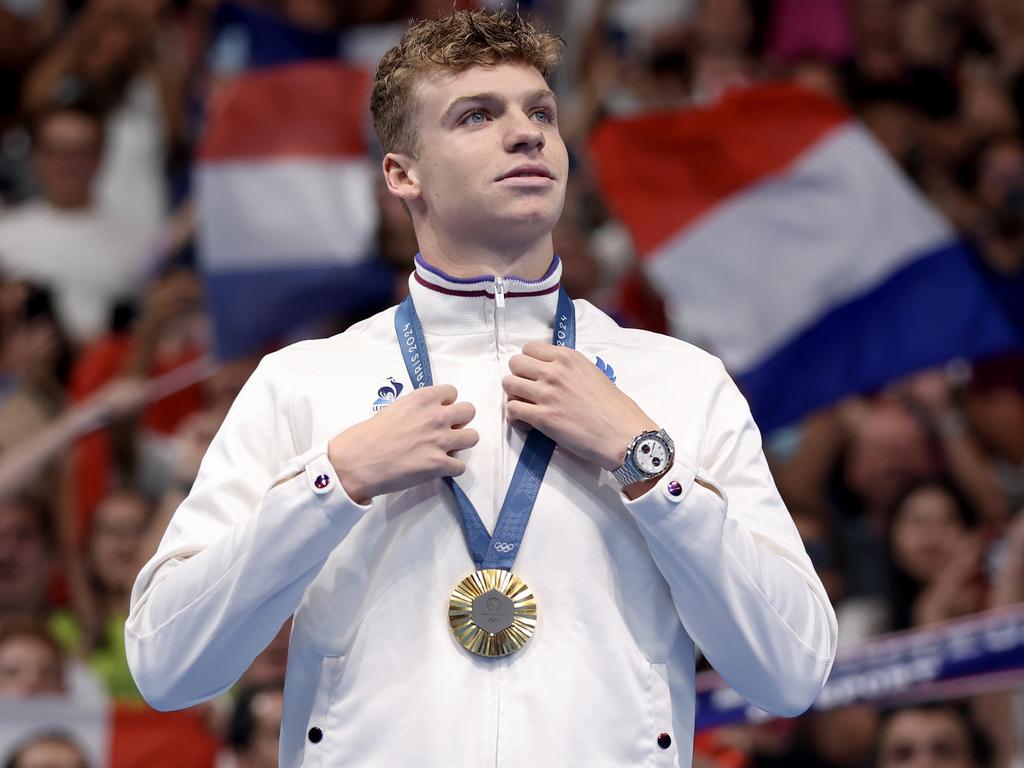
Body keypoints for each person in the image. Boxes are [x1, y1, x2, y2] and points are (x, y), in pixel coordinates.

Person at [125, 10, 837, 767]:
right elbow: (168, 667)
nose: (526, 133)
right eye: (477, 116)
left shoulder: (680, 384)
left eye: (541, 113)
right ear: (404, 174)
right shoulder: (303, 383)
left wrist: (645, 461)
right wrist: (334, 482)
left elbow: (791, 671)